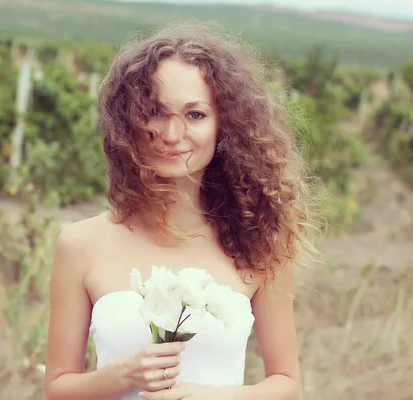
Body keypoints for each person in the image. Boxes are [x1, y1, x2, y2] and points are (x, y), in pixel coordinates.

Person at [44, 22, 319, 400]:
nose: (173, 135)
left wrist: (214, 397)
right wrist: (123, 374)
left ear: (226, 126)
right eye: (155, 112)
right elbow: (58, 389)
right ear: (128, 121)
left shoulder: (258, 244)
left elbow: (287, 386)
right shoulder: (80, 245)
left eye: (195, 115)